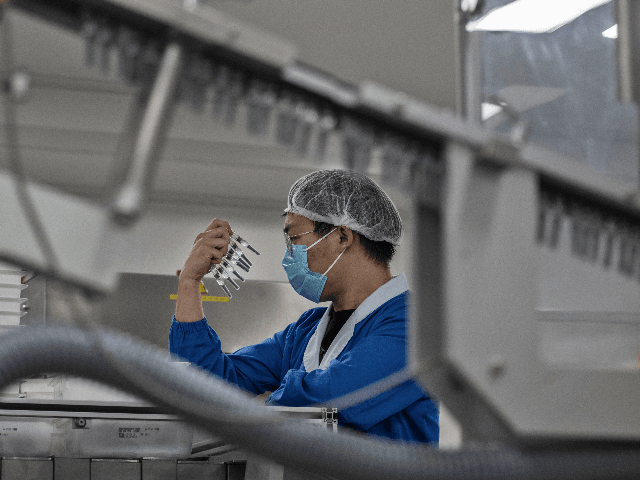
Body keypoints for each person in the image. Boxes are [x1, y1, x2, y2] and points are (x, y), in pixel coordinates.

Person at [169, 169, 439, 443]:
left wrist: (257, 408)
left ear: (342, 236)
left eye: (295, 239)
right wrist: (189, 284)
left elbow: (329, 400)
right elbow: (207, 383)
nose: (289, 256)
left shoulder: (414, 328)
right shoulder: (306, 330)